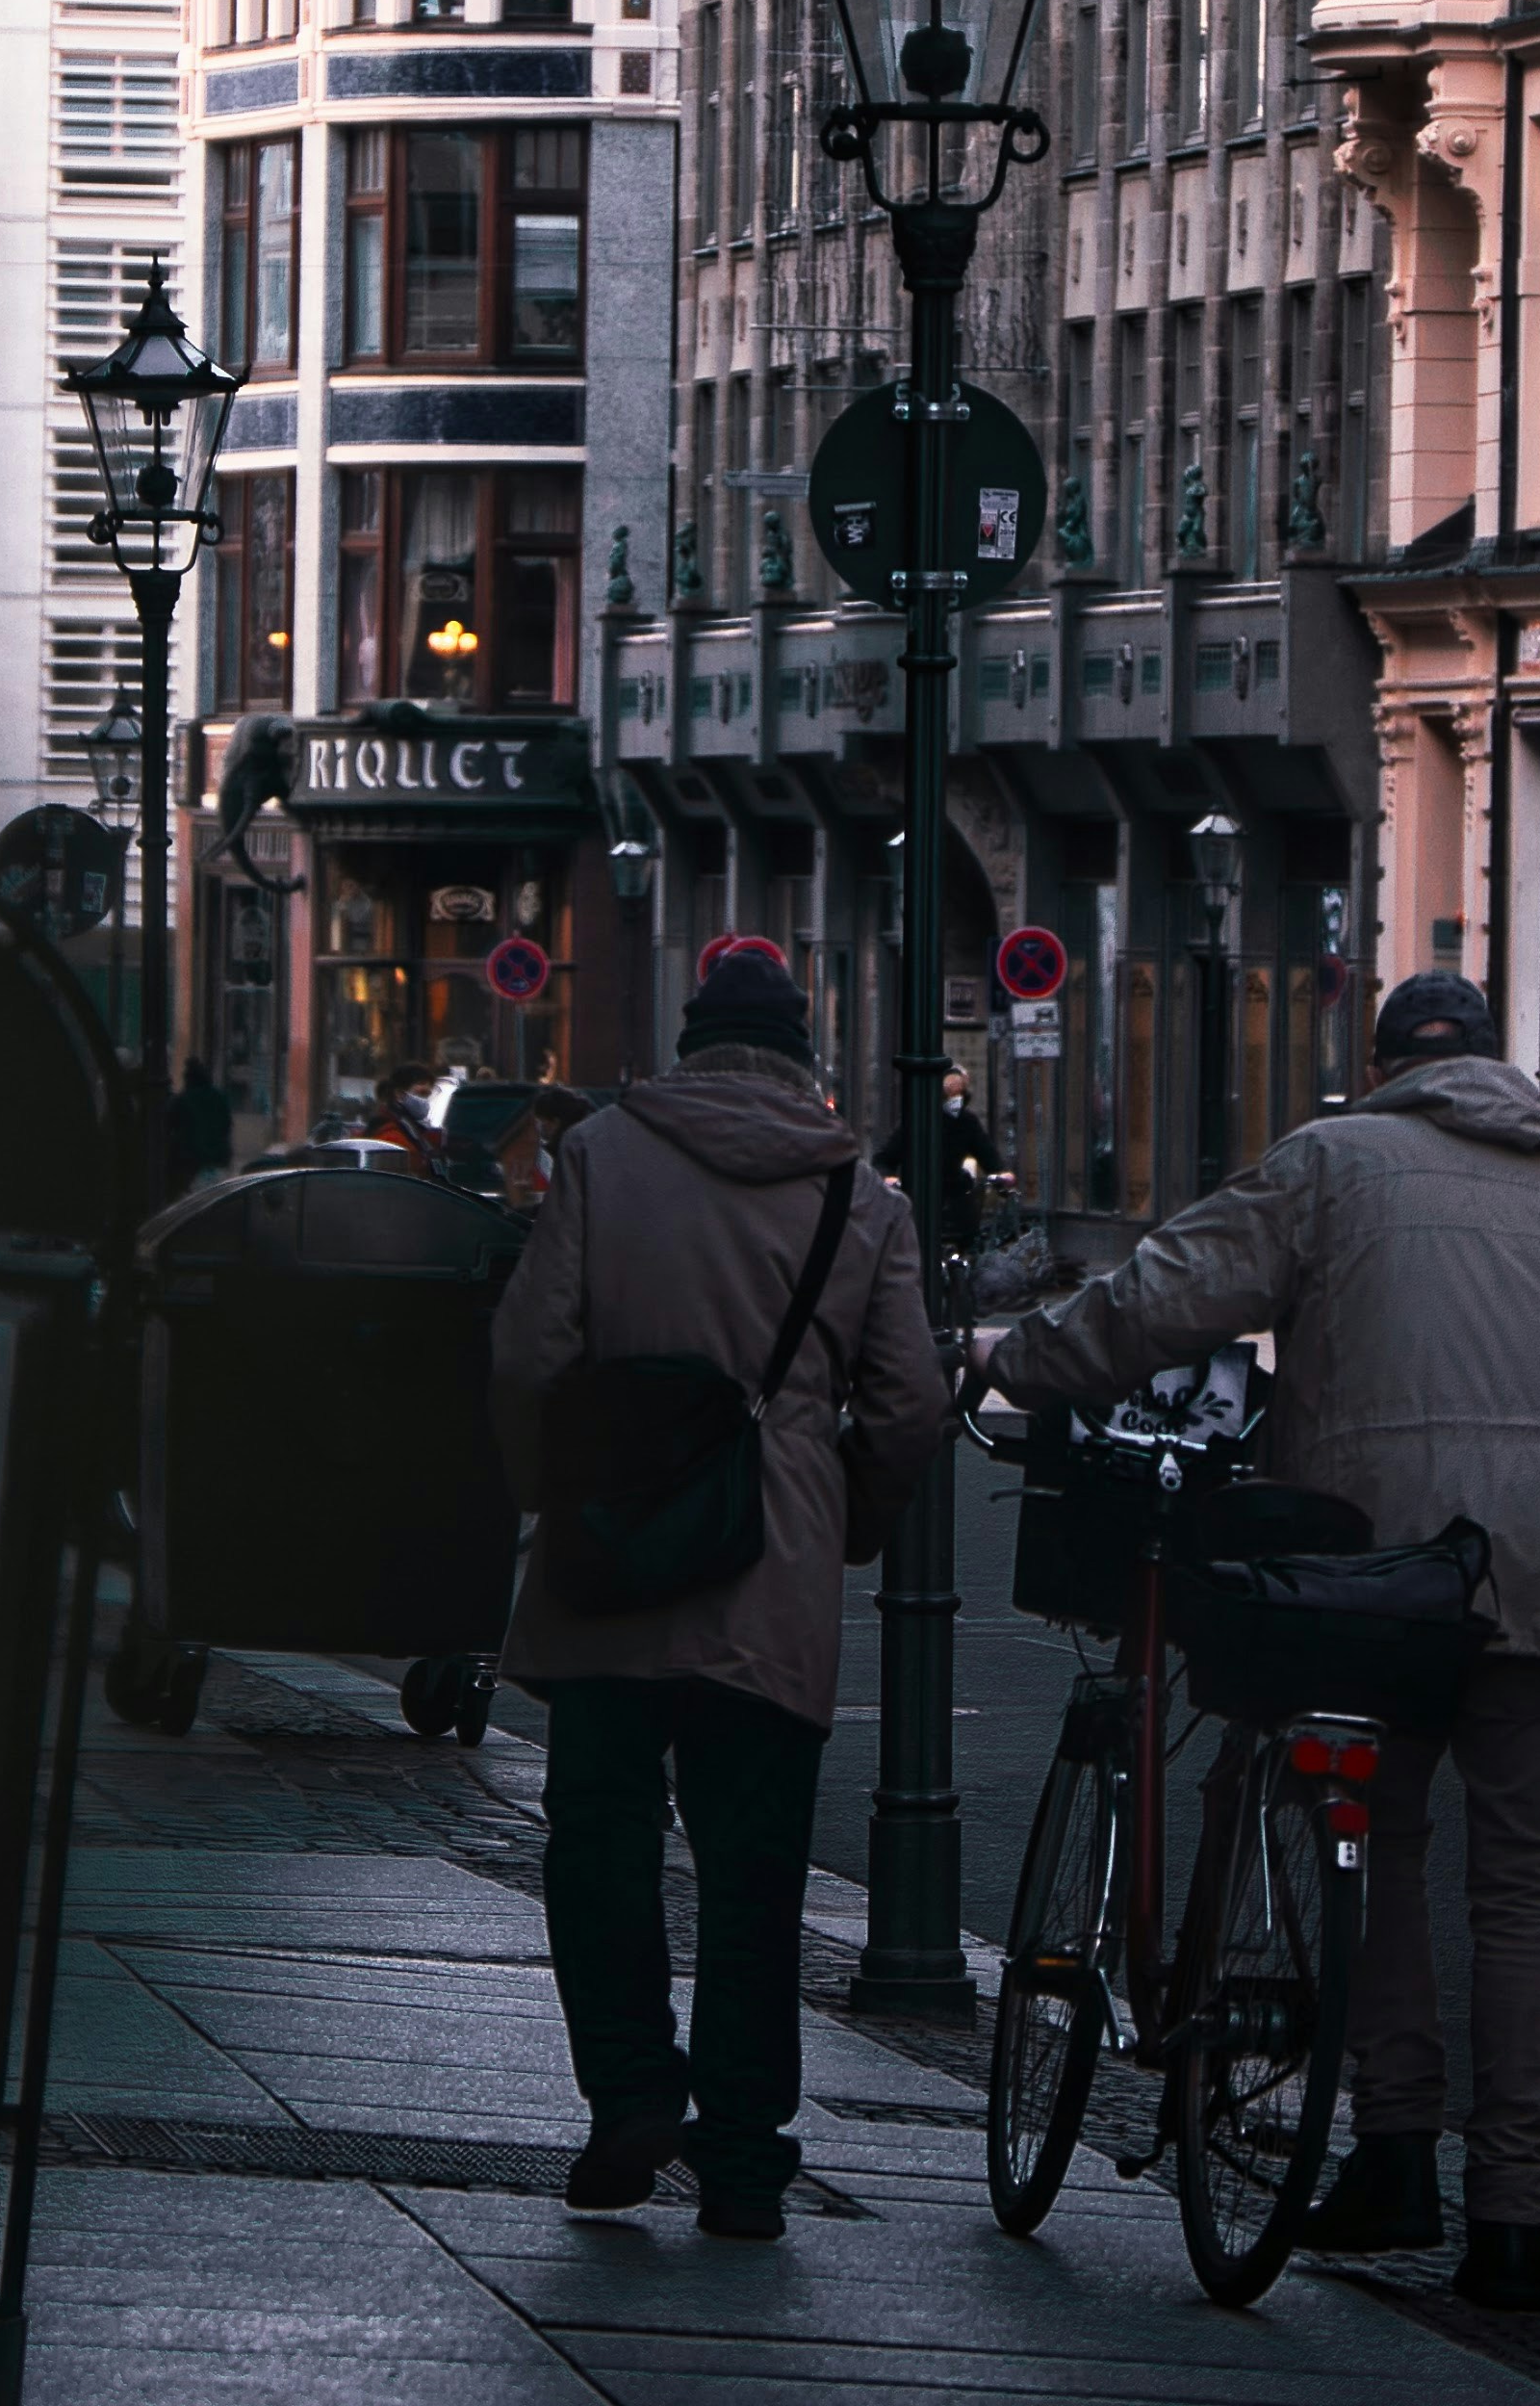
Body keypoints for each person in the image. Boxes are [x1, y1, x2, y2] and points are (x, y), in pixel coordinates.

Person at [973, 968, 1540, 2314]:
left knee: (1373, 1845)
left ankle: (1392, 2149)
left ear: (1382, 1066)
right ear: (1493, 1067)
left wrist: (1016, 1362)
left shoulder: (1333, 1160)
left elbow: (1168, 1296)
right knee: (1530, 1900)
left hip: (1379, 1573)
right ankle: (1514, 2223)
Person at [491, 939, 945, 2244]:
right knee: (755, 1878)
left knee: (600, 1840)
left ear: (689, 1048)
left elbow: (529, 1351)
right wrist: (838, 1512)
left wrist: (552, 1489)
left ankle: (631, 2087)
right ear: (802, 1057)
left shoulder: (602, 1154)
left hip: (612, 1553)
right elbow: (911, 1404)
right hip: (773, 1562)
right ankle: (746, 2154)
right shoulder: (859, 1191)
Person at [874, 1063, 995, 1246]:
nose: (955, 1099)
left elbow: (986, 1152)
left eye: (959, 1093)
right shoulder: (916, 1119)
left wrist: (1000, 1172)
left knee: (967, 1236)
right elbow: (886, 1156)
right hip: (919, 1194)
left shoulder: (967, 1122)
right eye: (950, 1093)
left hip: (955, 1197)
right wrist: (887, 1178)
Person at [159, 1054, 233, 1201]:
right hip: (217, 1159)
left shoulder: (183, 1100)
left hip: (191, 1161)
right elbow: (227, 1126)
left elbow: (167, 1127)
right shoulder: (219, 1098)